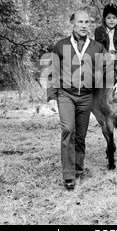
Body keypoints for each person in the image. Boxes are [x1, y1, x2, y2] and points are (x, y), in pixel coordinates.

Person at [47, 10, 105, 190]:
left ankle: (79, 169)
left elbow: (105, 69)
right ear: (72, 23)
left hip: (86, 96)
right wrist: (51, 95)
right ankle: (68, 175)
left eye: (87, 22)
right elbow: (53, 72)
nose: (84, 25)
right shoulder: (60, 45)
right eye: (80, 22)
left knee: (80, 136)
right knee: (68, 130)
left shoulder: (97, 47)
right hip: (66, 94)